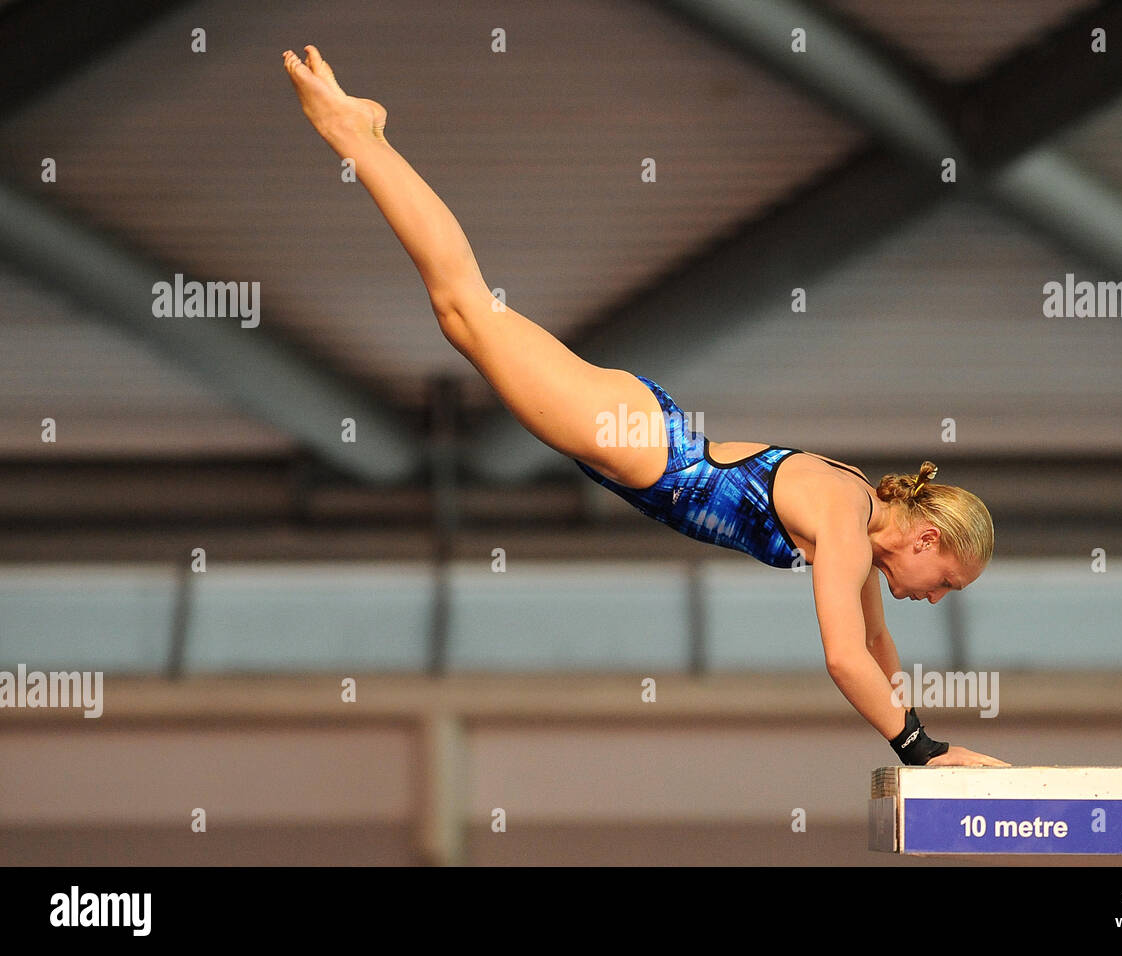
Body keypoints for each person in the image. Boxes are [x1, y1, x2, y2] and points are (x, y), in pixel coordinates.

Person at [282, 46, 1009, 768]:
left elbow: (877, 648)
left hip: (645, 436)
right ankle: (358, 135)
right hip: (645, 447)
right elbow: (845, 660)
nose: (937, 599)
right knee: (465, 310)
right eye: (946, 582)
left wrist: (934, 745)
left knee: (470, 314)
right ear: (924, 541)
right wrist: (919, 748)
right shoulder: (848, 522)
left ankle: (367, 138)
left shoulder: (859, 524)